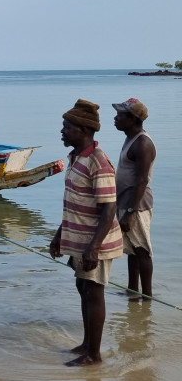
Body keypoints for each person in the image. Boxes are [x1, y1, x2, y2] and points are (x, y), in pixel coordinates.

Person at [50, 99, 122, 367]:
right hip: (79, 240)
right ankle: (86, 344)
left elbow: (109, 208)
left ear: (83, 130)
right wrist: (59, 236)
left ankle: (94, 355)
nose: (62, 131)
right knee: (83, 287)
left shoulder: (98, 161)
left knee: (94, 292)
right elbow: (73, 204)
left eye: (67, 127)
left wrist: (93, 247)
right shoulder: (75, 158)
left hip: (96, 243)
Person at [112, 98, 156, 299]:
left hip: (136, 204)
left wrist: (130, 212)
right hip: (126, 201)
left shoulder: (142, 143)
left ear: (132, 119)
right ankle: (132, 291)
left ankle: (147, 297)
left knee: (142, 250)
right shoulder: (130, 138)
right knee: (132, 249)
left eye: (120, 115)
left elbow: (142, 181)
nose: (115, 118)